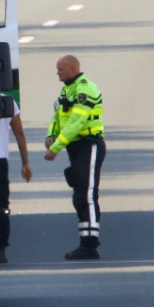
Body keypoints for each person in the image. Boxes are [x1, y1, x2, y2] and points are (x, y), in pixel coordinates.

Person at [43, 55, 105, 260]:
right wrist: (52, 135)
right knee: (79, 194)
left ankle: (90, 244)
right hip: (76, 146)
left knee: (86, 194)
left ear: (72, 69)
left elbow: (77, 123)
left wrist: (56, 147)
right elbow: (59, 116)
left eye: (60, 69)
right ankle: (85, 241)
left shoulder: (84, 90)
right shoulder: (67, 89)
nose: (57, 72)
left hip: (89, 144)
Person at [0, 86, 32, 264]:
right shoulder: (6, 101)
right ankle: (1, 249)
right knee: (1, 205)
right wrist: (25, 162)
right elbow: (19, 133)